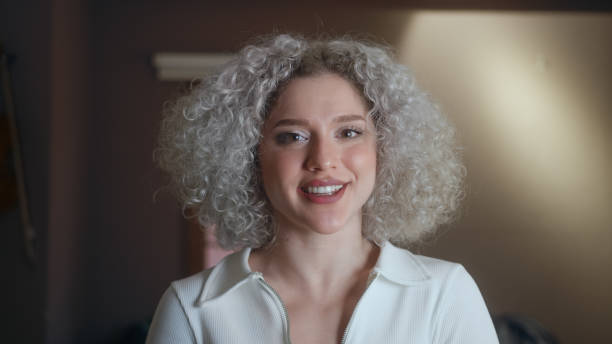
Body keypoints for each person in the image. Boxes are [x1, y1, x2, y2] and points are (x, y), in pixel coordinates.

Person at [147, 33, 499, 344]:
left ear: (385, 148)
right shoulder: (192, 307)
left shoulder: (444, 293)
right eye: (293, 136)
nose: (323, 159)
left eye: (348, 132)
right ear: (250, 157)